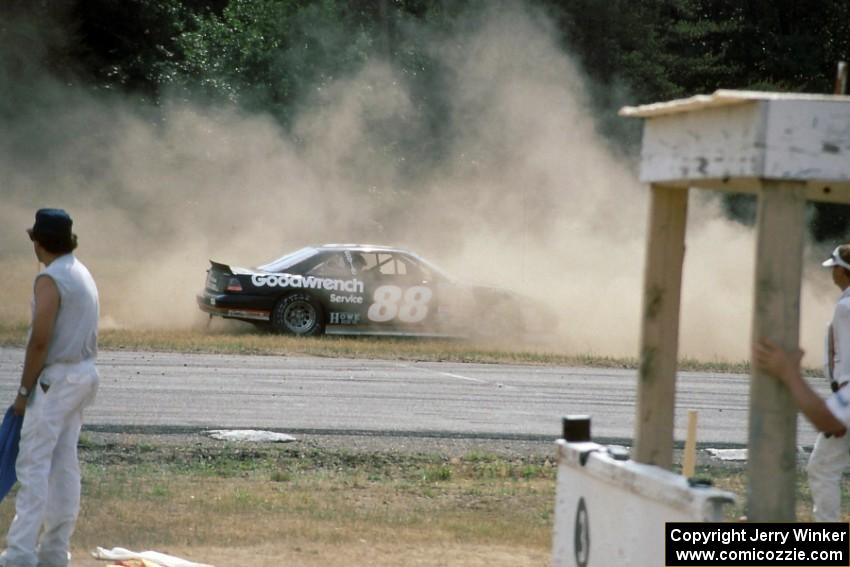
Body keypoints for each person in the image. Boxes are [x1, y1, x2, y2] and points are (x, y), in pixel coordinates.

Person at [0, 209, 99, 567]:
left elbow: (40, 340)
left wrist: (23, 393)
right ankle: (55, 551)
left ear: (38, 242)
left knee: (33, 464)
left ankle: (20, 553)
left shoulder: (50, 278)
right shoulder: (80, 270)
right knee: (63, 465)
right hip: (84, 373)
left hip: (54, 380)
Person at [754, 244, 850, 522]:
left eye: (836, 267)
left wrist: (788, 372)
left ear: (843, 272)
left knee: (822, 468)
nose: (833, 272)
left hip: (846, 394)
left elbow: (827, 419)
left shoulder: (846, 307)